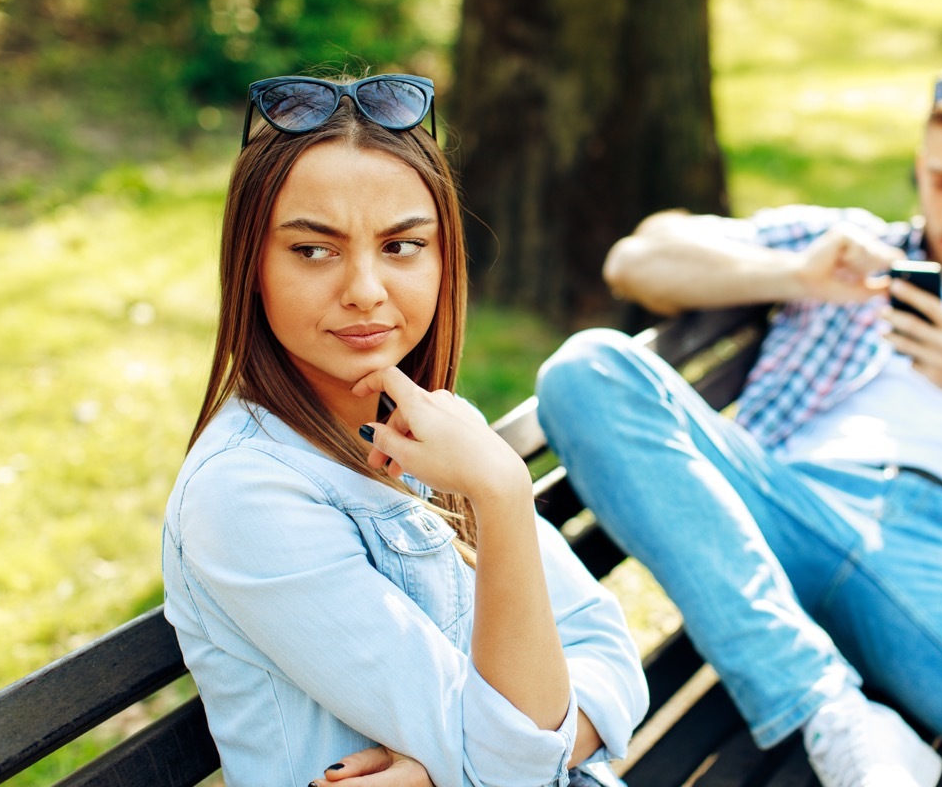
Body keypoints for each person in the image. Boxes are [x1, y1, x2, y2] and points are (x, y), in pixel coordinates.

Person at [535, 52, 942, 786]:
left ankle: (831, 708)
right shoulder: (846, 245)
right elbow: (637, 259)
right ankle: (832, 712)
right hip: (776, 505)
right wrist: (792, 275)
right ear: (920, 167)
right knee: (589, 369)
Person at [162, 72, 647, 787]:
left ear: (443, 256)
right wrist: (504, 493)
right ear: (251, 269)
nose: (364, 288)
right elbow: (516, 762)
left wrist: (441, 770)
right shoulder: (245, 493)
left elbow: (610, 660)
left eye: (401, 246)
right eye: (313, 250)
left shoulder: (433, 430)